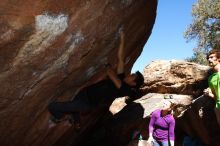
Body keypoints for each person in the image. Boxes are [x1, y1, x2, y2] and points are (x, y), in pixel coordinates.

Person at [48, 30, 144, 130]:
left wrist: (107, 66)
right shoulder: (121, 78)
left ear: (133, 83)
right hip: (85, 92)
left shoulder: (126, 90)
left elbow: (111, 74)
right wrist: (122, 38)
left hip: (87, 103)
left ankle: (60, 117)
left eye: (132, 76)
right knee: (74, 105)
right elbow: (121, 59)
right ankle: (77, 122)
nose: (130, 75)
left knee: (53, 106)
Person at [203, 49, 220, 126]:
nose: (209, 59)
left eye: (212, 57)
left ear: (219, 58)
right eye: (208, 58)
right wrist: (209, 94)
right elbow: (216, 97)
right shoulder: (211, 78)